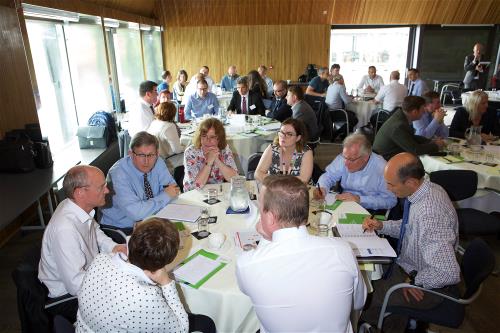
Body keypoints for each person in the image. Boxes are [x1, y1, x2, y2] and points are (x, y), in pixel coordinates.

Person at [236, 175, 366, 333]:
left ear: (270, 218)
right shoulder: (342, 250)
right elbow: (359, 302)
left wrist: (266, 239)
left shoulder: (247, 264)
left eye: (260, 208)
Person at [361, 153, 460, 332]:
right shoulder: (425, 189)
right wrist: (381, 225)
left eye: (391, 184)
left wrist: (414, 280)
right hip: (409, 265)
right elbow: (410, 227)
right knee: (369, 277)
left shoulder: (430, 214)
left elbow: (448, 273)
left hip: (430, 286)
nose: (387, 188)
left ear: (411, 182)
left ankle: (373, 324)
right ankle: (397, 323)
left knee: (366, 297)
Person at [76, 217, 216, 333]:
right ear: (166, 262)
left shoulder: (100, 259)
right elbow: (181, 329)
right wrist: (167, 283)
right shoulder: (145, 297)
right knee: (206, 323)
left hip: (85, 328)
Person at [39, 165, 127, 323]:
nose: (107, 191)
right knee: (127, 306)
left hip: (91, 274)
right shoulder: (65, 230)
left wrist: (113, 247)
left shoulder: (76, 206)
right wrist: (116, 281)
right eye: (102, 187)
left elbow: (95, 231)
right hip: (66, 297)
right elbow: (76, 285)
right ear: (80, 192)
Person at [101, 132, 180, 234]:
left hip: (152, 218)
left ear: (157, 153)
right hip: (121, 229)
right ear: (130, 154)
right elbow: (137, 213)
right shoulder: (118, 174)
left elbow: (174, 191)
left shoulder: (158, 162)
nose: (146, 161)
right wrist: (165, 195)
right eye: (141, 155)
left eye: (151, 155)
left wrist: (145, 216)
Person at [313, 133, 396, 211]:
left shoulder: (382, 168)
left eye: (351, 160)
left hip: (368, 210)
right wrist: (322, 188)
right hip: (343, 203)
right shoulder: (346, 157)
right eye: (344, 157)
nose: (345, 163)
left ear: (365, 157)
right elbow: (329, 176)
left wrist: (360, 199)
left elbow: (390, 200)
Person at [373, 96, 444, 160]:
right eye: (422, 110)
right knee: (418, 161)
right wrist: (436, 146)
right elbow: (415, 150)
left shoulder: (401, 116)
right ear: (414, 112)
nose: (424, 112)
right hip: (384, 160)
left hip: (387, 155)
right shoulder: (399, 125)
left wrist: (430, 141)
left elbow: (410, 137)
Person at [183, 118, 238, 191]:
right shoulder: (191, 152)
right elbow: (196, 186)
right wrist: (209, 162)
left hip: (217, 193)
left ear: (219, 138)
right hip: (193, 195)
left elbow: (235, 179)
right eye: (204, 136)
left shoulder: (224, 150)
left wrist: (216, 160)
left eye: (212, 137)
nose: (207, 140)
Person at [255, 118, 313, 184]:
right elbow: (258, 173)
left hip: (299, 192)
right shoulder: (273, 148)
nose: (283, 136)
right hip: (275, 190)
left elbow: (304, 180)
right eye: (282, 132)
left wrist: (276, 181)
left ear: (298, 138)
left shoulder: (306, 152)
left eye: (289, 134)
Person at [147, 102, 184, 172]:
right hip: (166, 160)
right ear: (173, 113)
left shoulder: (154, 123)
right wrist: (185, 147)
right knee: (190, 153)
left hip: (154, 159)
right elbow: (177, 150)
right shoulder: (169, 126)